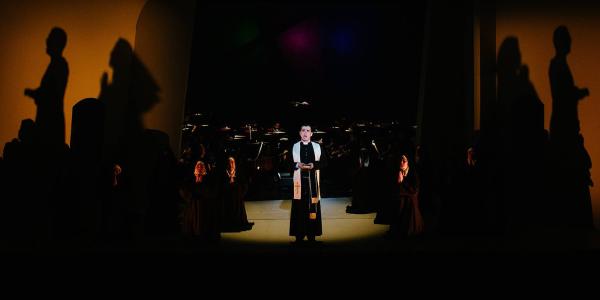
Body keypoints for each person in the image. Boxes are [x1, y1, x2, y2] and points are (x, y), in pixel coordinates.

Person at [290, 124, 327, 243]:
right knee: (299, 209)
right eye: (303, 130)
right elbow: (285, 164)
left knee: (313, 208)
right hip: (299, 182)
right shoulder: (294, 146)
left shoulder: (317, 147)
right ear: (300, 133)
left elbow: (325, 162)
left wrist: (314, 165)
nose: (305, 133)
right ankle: (299, 234)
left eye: (308, 131)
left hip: (313, 182)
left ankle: (312, 234)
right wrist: (297, 164)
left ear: (311, 133)